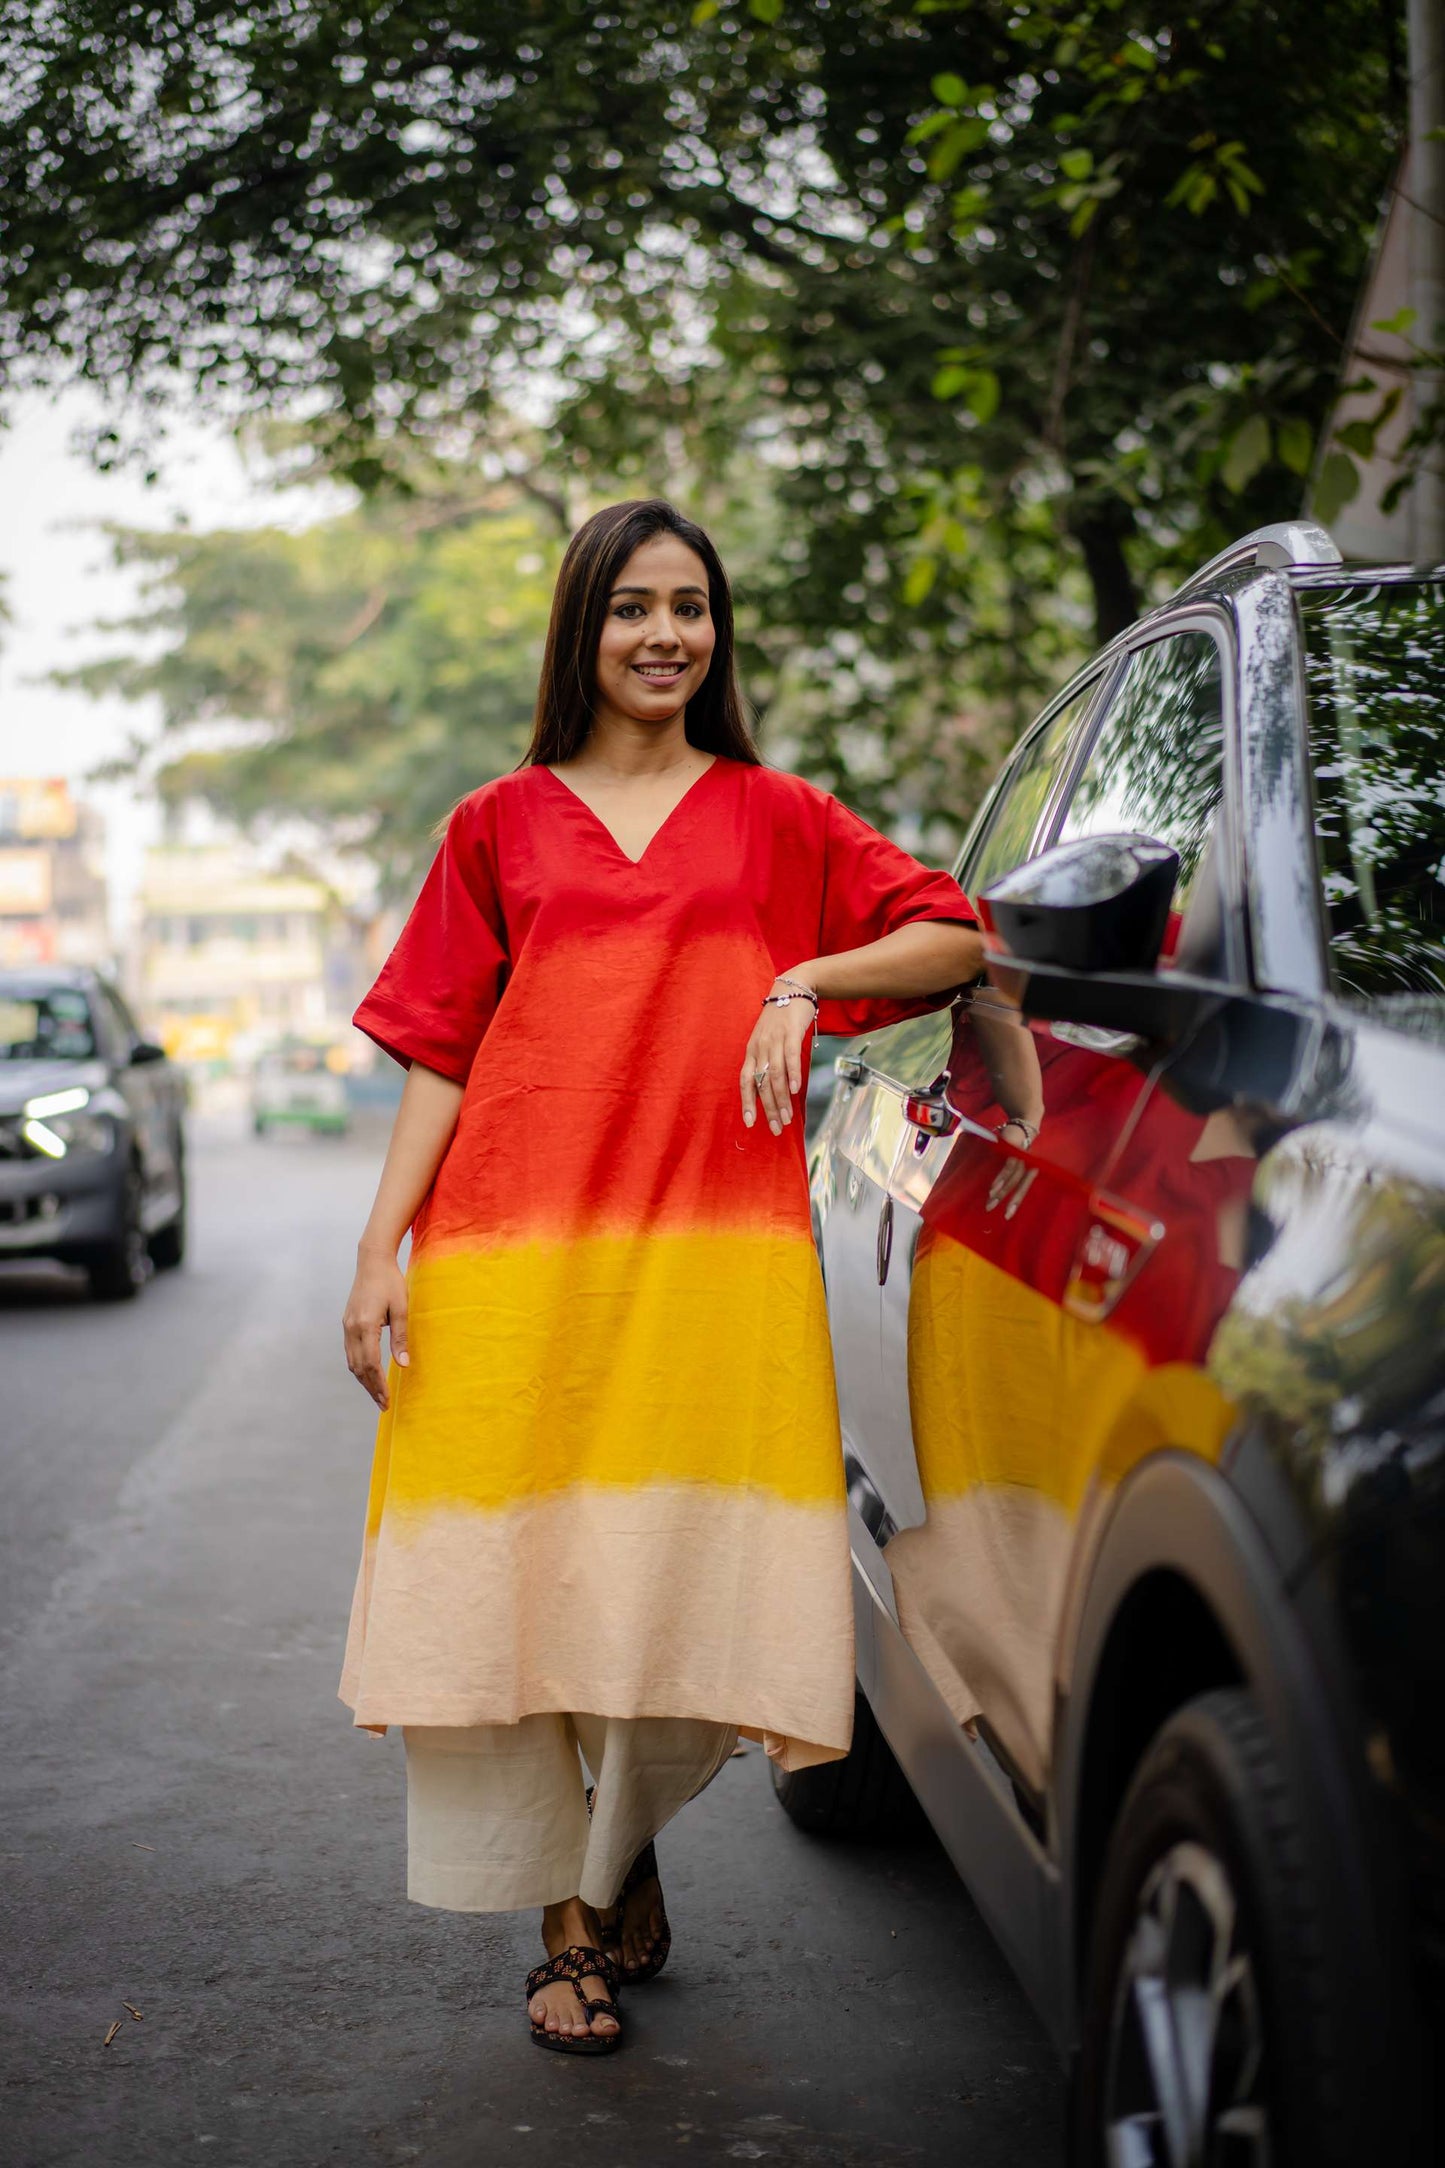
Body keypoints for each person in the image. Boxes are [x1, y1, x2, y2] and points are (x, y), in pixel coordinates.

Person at [339, 499, 982, 2054]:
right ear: (583, 629)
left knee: (664, 1576)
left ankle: (615, 1852)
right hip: (508, 1260)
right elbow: (438, 1049)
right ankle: (563, 1929)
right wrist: (380, 1253)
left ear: (717, 632)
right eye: (630, 606)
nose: (662, 634)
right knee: (516, 1591)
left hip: (711, 1267)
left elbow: (951, 934)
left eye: (689, 606)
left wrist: (803, 972)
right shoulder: (496, 822)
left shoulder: (776, 816)